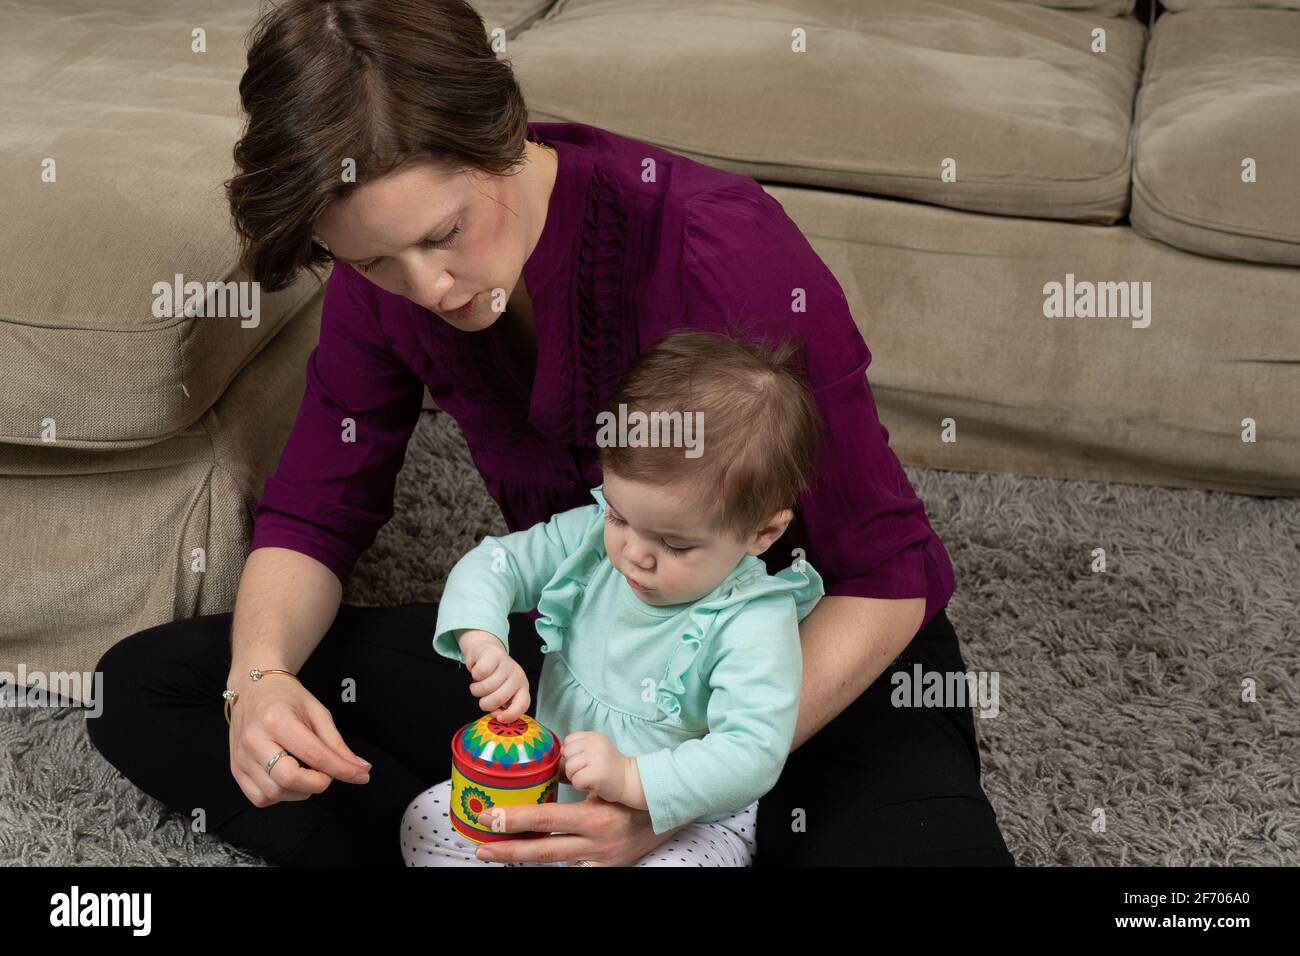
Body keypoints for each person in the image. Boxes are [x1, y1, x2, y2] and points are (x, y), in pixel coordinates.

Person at [87, 0, 1014, 866]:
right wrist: (257, 683)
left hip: (806, 669)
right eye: (374, 260)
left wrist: (667, 798)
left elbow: (890, 576)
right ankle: (509, 841)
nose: (430, 288)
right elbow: (314, 516)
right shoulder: (386, 294)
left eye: (445, 232)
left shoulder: (721, 249)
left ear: (499, 133)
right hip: (585, 666)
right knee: (151, 690)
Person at [404, 331, 826, 866]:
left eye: (674, 543)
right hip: (550, 787)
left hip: (683, 825)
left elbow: (752, 754)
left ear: (760, 535)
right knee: (425, 824)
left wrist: (632, 778)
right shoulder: (590, 543)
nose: (634, 554)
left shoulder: (753, 619)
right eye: (619, 516)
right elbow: (497, 563)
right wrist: (482, 638)